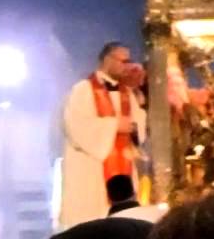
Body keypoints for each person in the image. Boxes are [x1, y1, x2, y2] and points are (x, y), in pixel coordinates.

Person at [59, 42, 148, 229]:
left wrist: (133, 126)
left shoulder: (127, 93)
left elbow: (139, 122)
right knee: (90, 221)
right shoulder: (82, 90)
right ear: (107, 60)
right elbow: (75, 126)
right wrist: (114, 125)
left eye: (129, 61)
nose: (128, 66)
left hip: (123, 165)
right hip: (91, 169)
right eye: (123, 61)